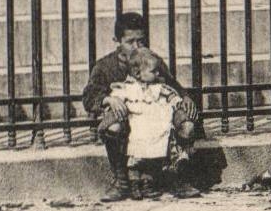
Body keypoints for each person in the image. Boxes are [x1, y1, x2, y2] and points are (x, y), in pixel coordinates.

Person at [82, 12, 200, 200]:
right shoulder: (105, 66)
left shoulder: (152, 60)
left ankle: (177, 177)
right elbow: (89, 97)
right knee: (113, 127)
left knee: (187, 126)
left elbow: (172, 85)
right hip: (128, 117)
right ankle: (121, 181)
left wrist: (184, 97)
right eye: (130, 42)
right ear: (117, 41)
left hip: (157, 115)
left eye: (141, 41)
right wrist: (108, 100)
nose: (137, 47)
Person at [99, 44, 202, 199]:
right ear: (137, 73)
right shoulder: (127, 87)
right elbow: (116, 97)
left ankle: (161, 181)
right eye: (153, 71)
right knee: (136, 155)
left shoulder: (159, 86)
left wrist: (179, 102)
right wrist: (110, 101)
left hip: (155, 125)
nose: (158, 73)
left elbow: (172, 94)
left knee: (156, 150)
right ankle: (130, 185)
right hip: (137, 125)